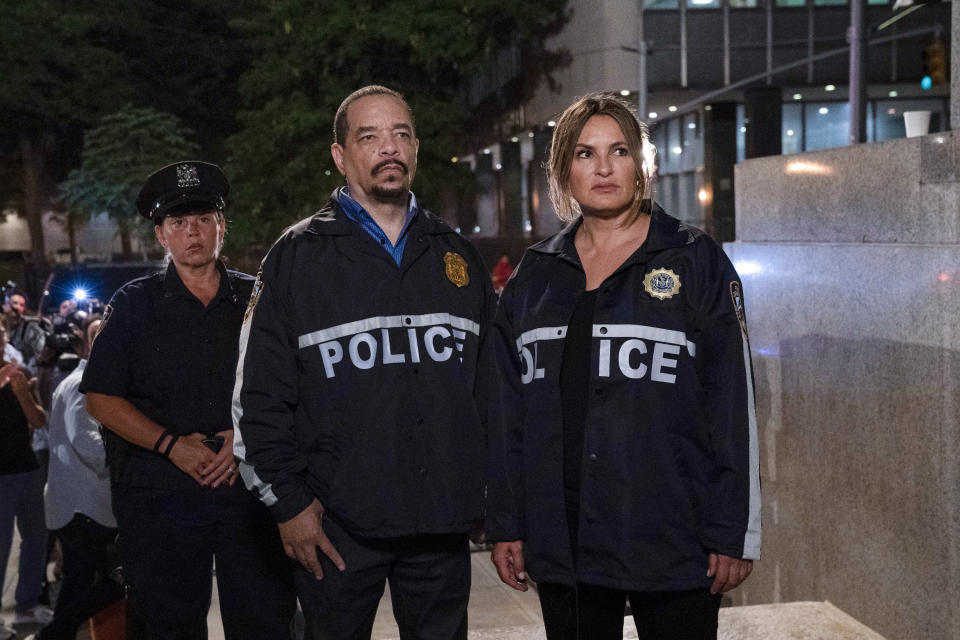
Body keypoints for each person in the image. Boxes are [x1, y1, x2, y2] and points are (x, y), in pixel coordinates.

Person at [485, 93, 761, 640]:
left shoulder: (695, 260)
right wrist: (506, 523)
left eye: (619, 151)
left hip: (673, 536)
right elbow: (506, 418)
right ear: (565, 171)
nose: (604, 167)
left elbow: (733, 403)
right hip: (565, 541)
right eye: (586, 154)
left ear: (642, 165)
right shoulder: (534, 277)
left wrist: (734, 531)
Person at [233, 85, 495, 640]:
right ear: (340, 155)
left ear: (417, 149)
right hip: (333, 525)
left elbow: (491, 392)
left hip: (440, 525)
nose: (388, 148)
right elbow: (256, 399)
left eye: (401, 134)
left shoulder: (457, 256)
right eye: (369, 136)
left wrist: (488, 494)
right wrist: (288, 506)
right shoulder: (296, 258)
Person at [80, 161, 296, 640]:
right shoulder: (135, 305)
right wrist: (173, 445)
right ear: (161, 235)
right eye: (178, 222)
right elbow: (100, 397)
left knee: (266, 621)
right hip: (161, 498)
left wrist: (244, 440)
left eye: (202, 219)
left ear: (221, 226)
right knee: (166, 626)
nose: (192, 232)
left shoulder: (259, 299)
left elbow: (292, 386)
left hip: (250, 490)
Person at [36, 314, 122, 640]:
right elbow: (90, 446)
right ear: (86, 343)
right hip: (84, 510)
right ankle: (54, 633)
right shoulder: (83, 386)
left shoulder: (83, 382)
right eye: (98, 334)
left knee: (78, 584)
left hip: (79, 508)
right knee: (119, 581)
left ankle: (56, 634)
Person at [0, 321, 48, 639]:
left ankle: (26, 605)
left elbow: (39, 420)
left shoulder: (15, 374)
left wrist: (23, 394)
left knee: (36, 537)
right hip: (1, 476)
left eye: (1, 336)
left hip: (26, 468)